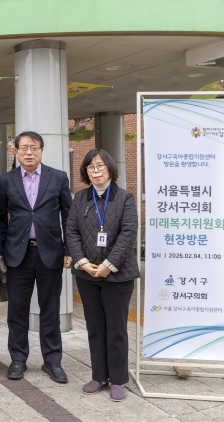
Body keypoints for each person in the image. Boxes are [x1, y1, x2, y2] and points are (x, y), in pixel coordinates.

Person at [0, 131, 72, 384]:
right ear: (16, 151)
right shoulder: (6, 180)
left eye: (34, 147)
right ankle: (18, 359)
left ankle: (52, 361)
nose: (29, 152)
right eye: (24, 148)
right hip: (18, 254)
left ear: (41, 150)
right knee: (17, 310)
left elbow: (68, 217)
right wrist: (0, 250)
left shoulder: (58, 177)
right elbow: (0, 219)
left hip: (50, 253)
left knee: (50, 310)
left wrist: (69, 250)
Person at [66, 149, 139, 402]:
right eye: (90, 167)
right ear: (85, 171)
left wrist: (108, 264)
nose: (95, 171)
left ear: (110, 168)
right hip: (87, 275)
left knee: (116, 328)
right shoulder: (80, 198)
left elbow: (128, 233)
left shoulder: (125, 198)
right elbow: (72, 231)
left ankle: (118, 379)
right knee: (95, 327)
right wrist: (83, 263)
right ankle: (99, 376)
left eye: (100, 166)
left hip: (118, 275)